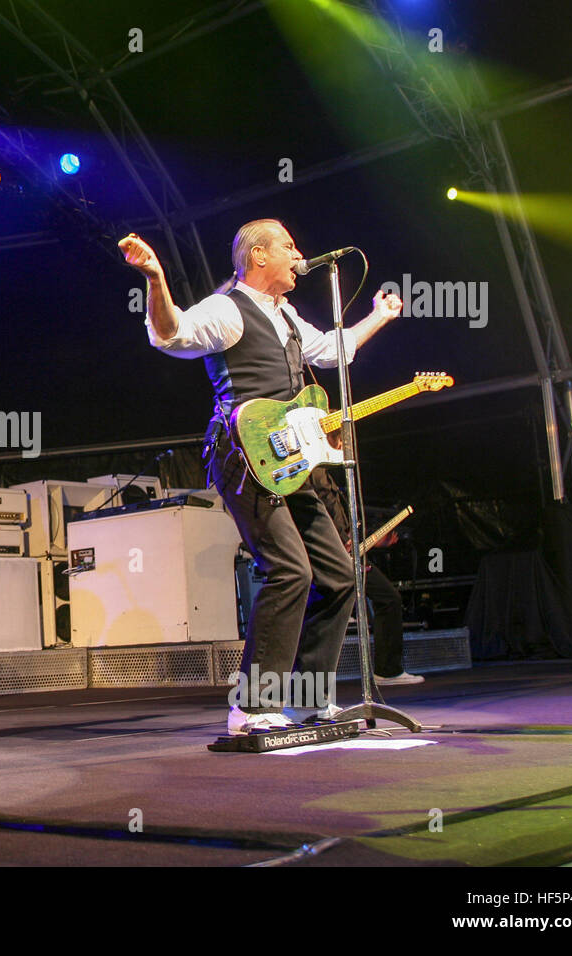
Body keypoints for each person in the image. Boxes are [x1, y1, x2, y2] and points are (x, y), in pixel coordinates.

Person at [119, 221, 402, 734]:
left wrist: (378, 317)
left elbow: (333, 350)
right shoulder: (229, 308)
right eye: (290, 247)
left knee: (340, 576)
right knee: (291, 570)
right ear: (258, 256)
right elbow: (171, 333)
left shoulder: (287, 316)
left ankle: (308, 697)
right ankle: (250, 707)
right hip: (243, 457)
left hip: (293, 462)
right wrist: (156, 279)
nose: (300, 255)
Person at [308, 469, 424, 686]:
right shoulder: (314, 474)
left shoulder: (329, 475)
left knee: (389, 599)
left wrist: (371, 542)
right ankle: (311, 690)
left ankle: (388, 671)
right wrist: (339, 541)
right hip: (332, 553)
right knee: (324, 611)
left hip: (350, 553)